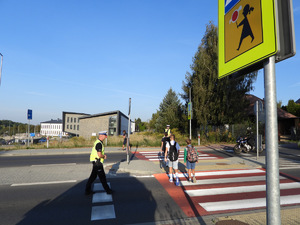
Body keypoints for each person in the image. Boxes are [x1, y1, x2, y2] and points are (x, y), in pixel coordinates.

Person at [85, 131, 113, 195]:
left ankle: (87, 190)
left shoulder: (98, 142)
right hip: (97, 163)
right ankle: (108, 191)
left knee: (93, 177)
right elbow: (99, 155)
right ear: (101, 136)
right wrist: (104, 156)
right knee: (102, 177)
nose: (105, 137)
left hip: (95, 162)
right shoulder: (99, 144)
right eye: (105, 136)